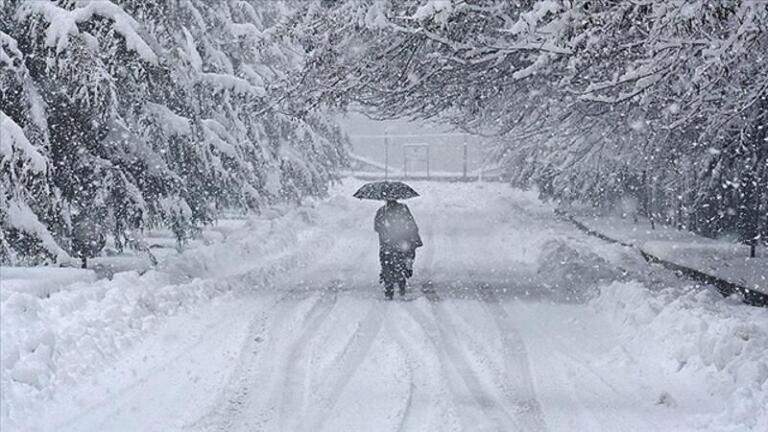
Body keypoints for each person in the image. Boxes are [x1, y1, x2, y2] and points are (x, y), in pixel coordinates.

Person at [374, 199, 422, 300]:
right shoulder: (403, 209)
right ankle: (401, 285)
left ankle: (389, 289)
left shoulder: (381, 211)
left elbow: (377, 227)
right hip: (401, 244)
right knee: (401, 264)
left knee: (387, 265)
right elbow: (411, 225)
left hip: (387, 245)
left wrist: (386, 231)